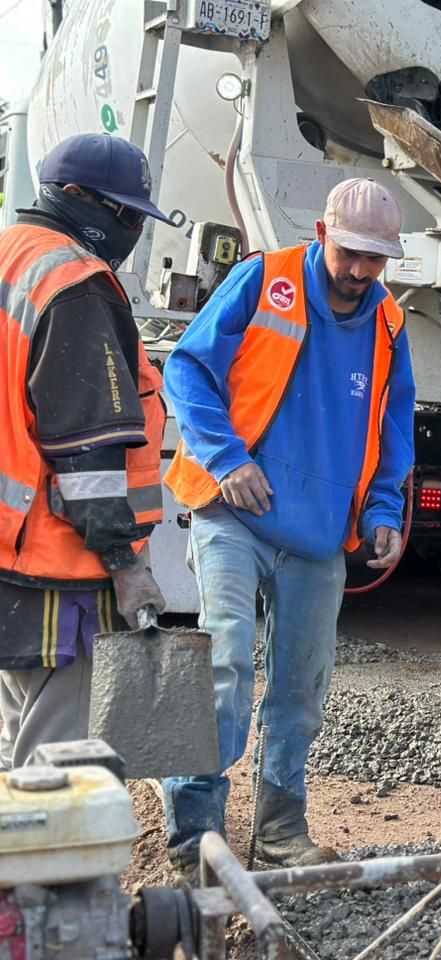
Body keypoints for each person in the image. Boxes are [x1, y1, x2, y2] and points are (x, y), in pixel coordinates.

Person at [162, 178, 416, 873]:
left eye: (377, 259)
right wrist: (224, 458)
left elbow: (395, 427)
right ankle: (195, 837)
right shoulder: (262, 280)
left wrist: (386, 511)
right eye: (352, 253)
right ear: (322, 232)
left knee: (300, 689)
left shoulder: (390, 323)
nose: (361, 271)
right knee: (225, 664)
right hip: (235, 514)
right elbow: (186, 369)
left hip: (320, 534)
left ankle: (278, 832)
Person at [0, 133, 168, 769]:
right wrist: (127, 565)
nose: (129, 230)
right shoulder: (76, 286)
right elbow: (87, 452)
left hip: (9, 554)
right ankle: (51, 872)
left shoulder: (10, 254)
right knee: (60, 772)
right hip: (55, 566)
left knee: (18, 747)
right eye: (123, 214)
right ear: (76, 198)